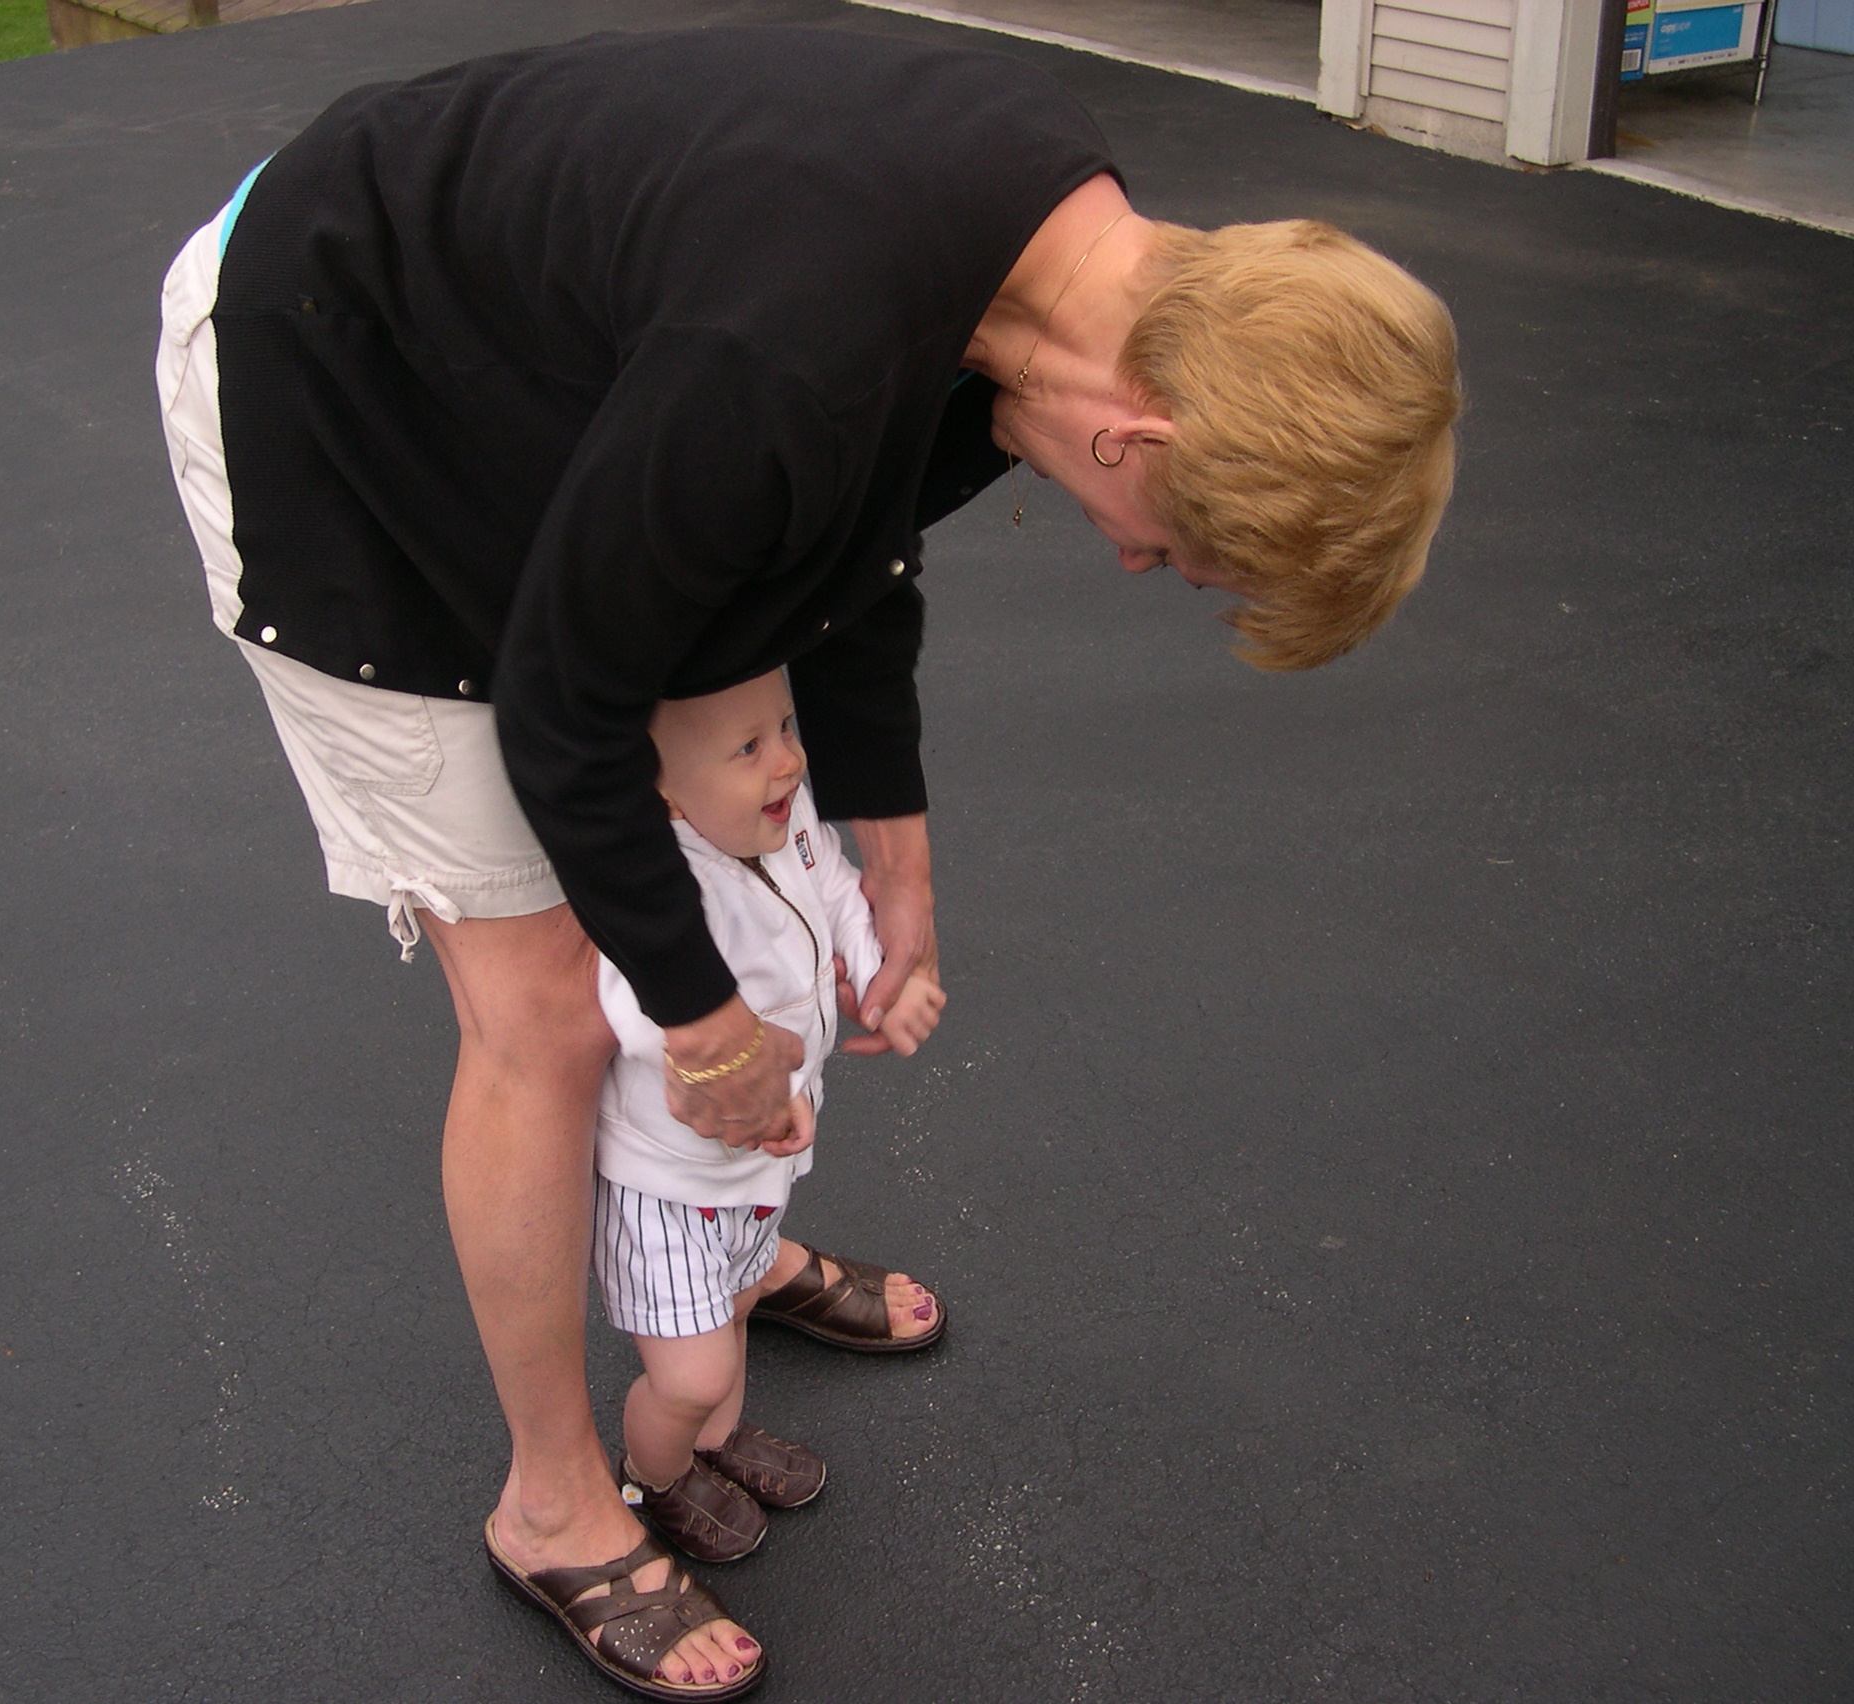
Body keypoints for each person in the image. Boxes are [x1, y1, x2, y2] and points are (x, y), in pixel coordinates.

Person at [154, 24, 1460, 1697]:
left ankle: (709, 1243)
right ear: (1137, 439)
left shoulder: (1050, 270)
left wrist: (893, 852)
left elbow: (847, 547)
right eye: (1195, 560)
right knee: (550, 999)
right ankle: (553, 1502)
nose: (1145, 567)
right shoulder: (789, 346)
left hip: (562, 380)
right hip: (335, 367)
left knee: (686, 836)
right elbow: (566, 709)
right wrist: (702, 1027)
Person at [588, 671, 944, 1581]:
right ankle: (652, 1476)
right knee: (690, 1371)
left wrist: (881, 980)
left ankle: (714, 1442)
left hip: (758, 1174)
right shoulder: (662, 889)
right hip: (670, 1188)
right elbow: (638, 1015)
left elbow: (840, 894)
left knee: (738, 1311)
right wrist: (753, 1054)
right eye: (748, 747)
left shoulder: (786, 833)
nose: (787, 756)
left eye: (785, 725)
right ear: (661, 786)